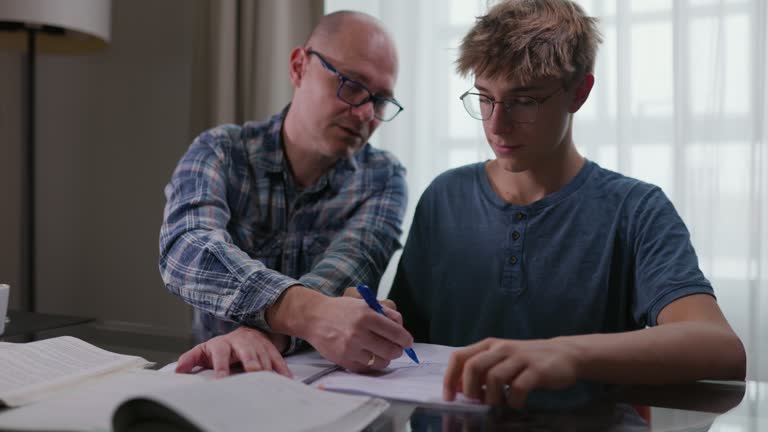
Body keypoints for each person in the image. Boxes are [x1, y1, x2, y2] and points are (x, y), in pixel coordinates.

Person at [388, 0, 746, 409]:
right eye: (484, 98)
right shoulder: (444, 197)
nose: (495, 124)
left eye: (523, 101)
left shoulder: (636, 210)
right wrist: (377, 325)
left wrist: (568, 354)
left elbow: (720, 347)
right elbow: (408, 338)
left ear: (580, 92)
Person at [159, 11, 413, 376]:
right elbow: (187, 248)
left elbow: (349, 265)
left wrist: (265, 332)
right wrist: (311, 313)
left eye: (381, 100)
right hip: (216, 377)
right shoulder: (220, 151)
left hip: (321, 385)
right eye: (352, 85)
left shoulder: (384, 178)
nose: (364, 113)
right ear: (298, 67)